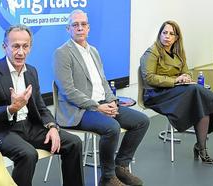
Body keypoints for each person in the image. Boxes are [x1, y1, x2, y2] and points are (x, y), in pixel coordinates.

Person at [53, 9, 149, 186]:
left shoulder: (94, 51)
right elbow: (68, 91)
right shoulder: (62, 53)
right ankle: (107, 177)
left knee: (141, 121)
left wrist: (112, 101)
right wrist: (97, 107)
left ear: (88, 28)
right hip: (78, 110)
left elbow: (103, 82)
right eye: (75, 25)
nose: (80, 28)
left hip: (102, 104)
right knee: (111, 127)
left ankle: (120, 166)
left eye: (83, 24)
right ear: (68, 29)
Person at [140, 20, 213, 164]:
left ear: (176, 38)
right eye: (164, 32)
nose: (167, 36)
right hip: (156, 94)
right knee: (197, 90)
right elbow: (149, 78)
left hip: (173, 91)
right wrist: (176, 80)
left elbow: (186, 72)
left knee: (200, 102)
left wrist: (186, 77)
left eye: (171, 34)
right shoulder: (152, 52)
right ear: (160, 34)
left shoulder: (178, 53)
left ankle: (201, 147)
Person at [0, 24, 84, 186]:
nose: (20, 52)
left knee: (74, 143)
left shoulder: (32, 71)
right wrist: (12, 108)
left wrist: (52, 127)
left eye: (25, 46)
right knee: (28, 154)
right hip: (3, 130)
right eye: (15, 46)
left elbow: (41, 107)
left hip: (29, 126)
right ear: (4, 47)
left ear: (30, 48)